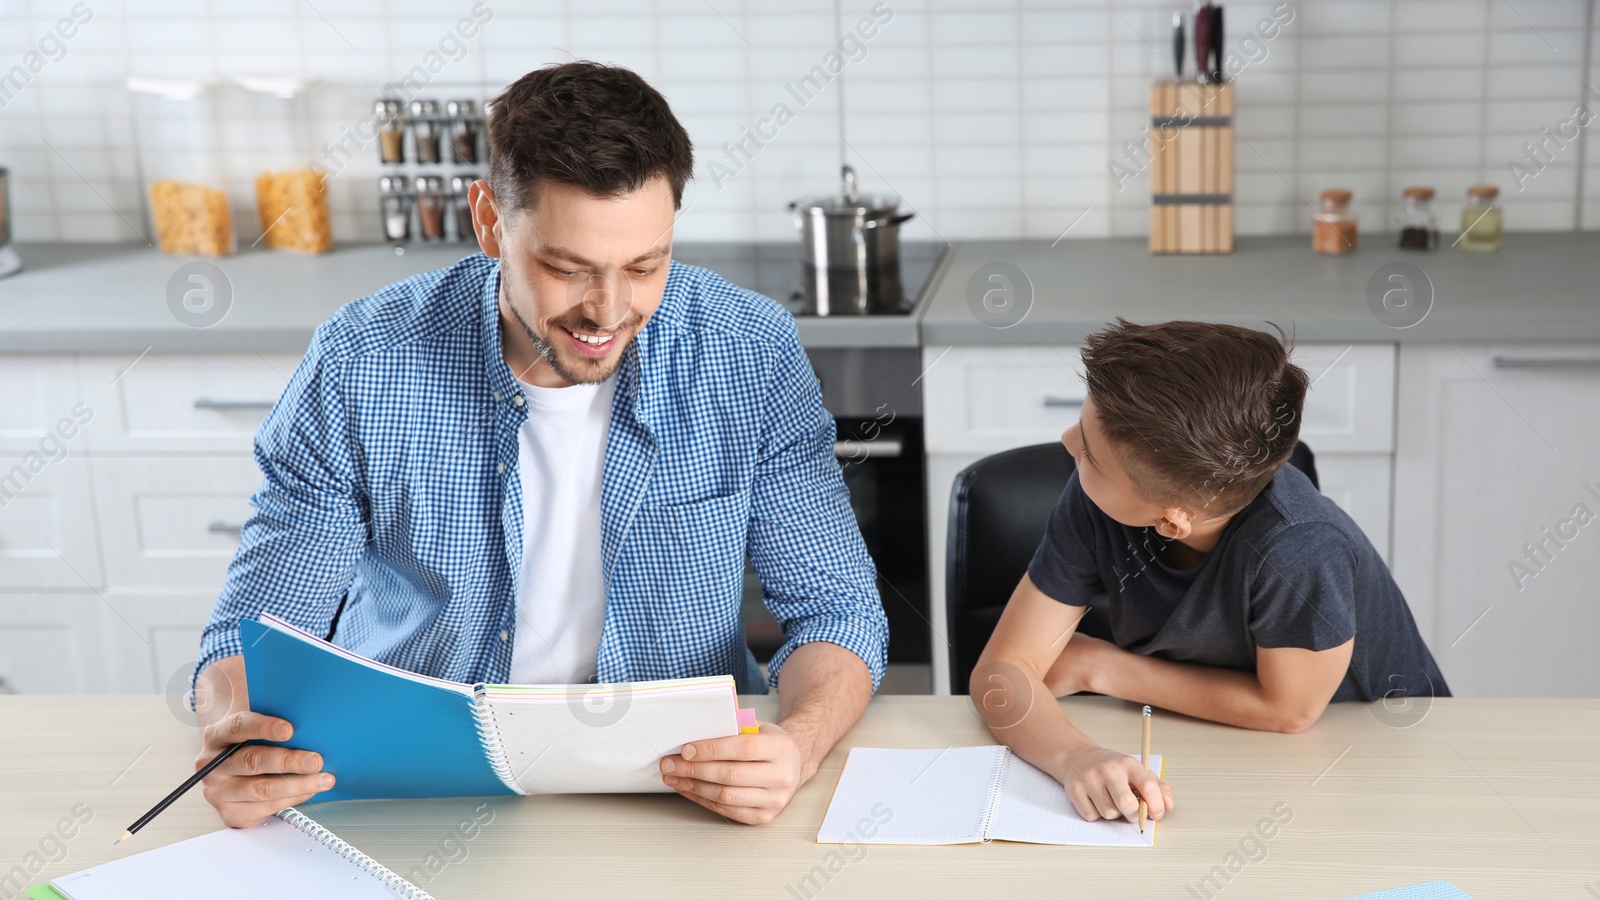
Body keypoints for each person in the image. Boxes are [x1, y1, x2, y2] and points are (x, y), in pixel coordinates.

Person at [190, 61, 888, 828]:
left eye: (645, 266)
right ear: (489, 221)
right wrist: (235, 735)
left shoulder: (748, 351)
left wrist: (797, 742)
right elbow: (250, 638)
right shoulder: (362, 362)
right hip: (411, 784)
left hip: (673, 795)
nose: (610, 311)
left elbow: (838, 610)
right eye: (567, 268)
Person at [970, 318, 1448, 827]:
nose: (1067, 443)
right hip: (1214, 741)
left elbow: (1289, 711)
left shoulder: (1302, 549)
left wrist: (1101, 669)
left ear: (1171, 520)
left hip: (1373, 754)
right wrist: (1077, 758)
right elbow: (1001, 674)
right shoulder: (1097, 501)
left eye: (1088, 453)